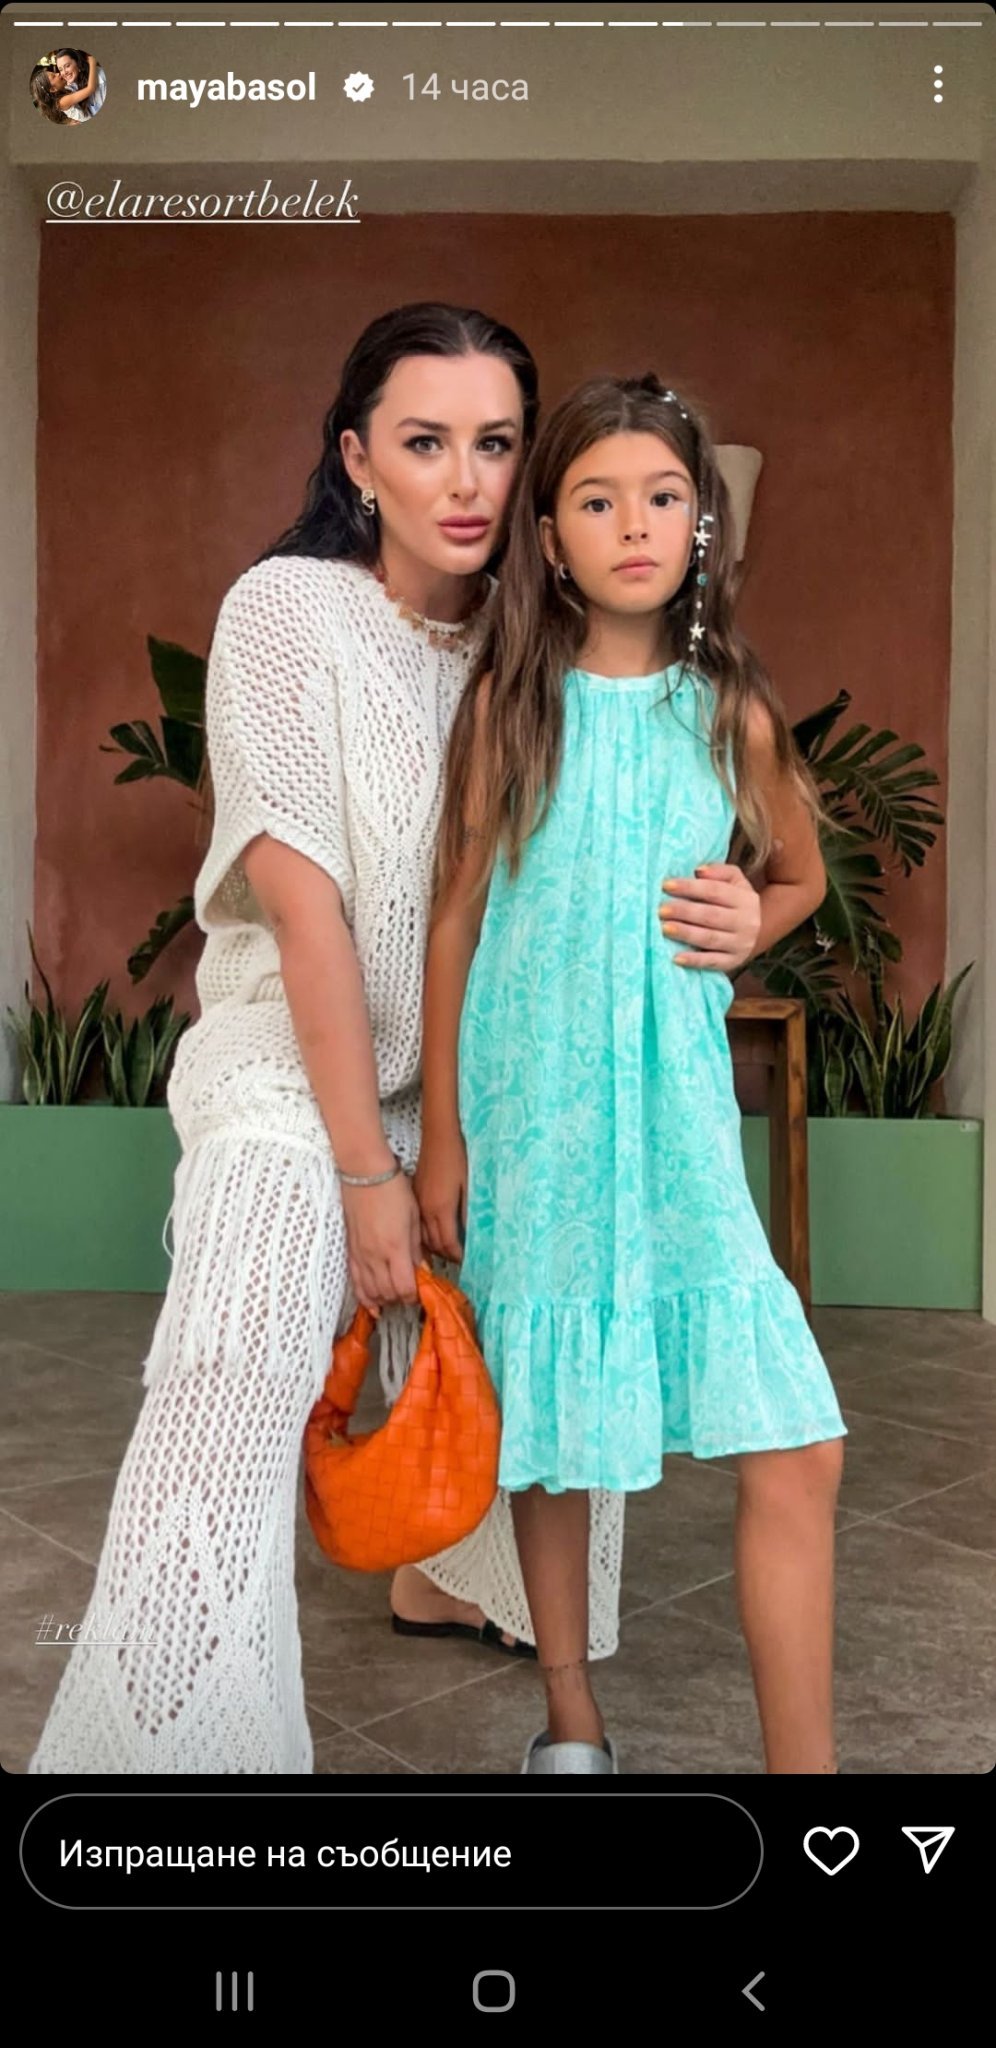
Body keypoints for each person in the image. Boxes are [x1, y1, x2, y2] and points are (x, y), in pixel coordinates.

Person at [26, 303, 622, 1775]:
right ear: (357, 459)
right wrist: (366, 1173)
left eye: (496, 443)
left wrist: (740, 903)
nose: (465, 481)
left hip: (470, 1086)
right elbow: (306, 918)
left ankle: (449, 1566)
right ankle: (167, 1741)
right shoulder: (287, 610)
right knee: (245, 1309)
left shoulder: (543, 649)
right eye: (424, 443)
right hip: (296, 1066)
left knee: (562, 1263)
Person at [415, 373, 847, 1776]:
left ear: (700, 522)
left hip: (675, 1122)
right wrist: (444, 1139)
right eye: (598, 501)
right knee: (549, 1433)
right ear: (550, 536)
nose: (635, 524)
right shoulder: (512, 705)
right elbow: (454, 921)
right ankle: (571, 1720)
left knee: (799, 1445)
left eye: (662, 497)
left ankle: (808, 1782)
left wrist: (753, 917)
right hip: (533, 1114)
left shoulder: (731, 712)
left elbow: (800, 873)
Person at [50, 48, 106, 121]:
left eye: (67, 66)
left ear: (78, 63)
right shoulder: (70, 87)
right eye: (60, 69)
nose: (64, 72)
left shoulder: (100, 78)